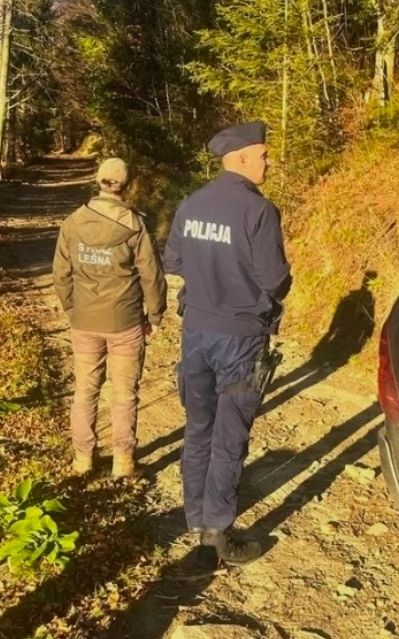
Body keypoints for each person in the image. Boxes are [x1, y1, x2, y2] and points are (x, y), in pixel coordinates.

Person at [163, 121, 291, 567]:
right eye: (263, 155)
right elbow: (275, 279)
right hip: (239, 336)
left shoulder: (192, 203)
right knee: (229, 436)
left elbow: (174, 259)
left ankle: (195, 517)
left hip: (195, 332)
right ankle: (216, 533)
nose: (268, 162)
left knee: (198, 428)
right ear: (240, 159)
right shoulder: (258, 211)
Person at [52, 157, 166, 478]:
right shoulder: (135, 225)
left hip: (85, 323)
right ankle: (123, 461)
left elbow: (61, 275)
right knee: (124, 393)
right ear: (127, 186)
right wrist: (155, 315)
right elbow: (152, 275)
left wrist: (74, 310)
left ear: (97, 181)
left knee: (85, 390)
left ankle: (82, 459)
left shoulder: (73, 222)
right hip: (126, 323)